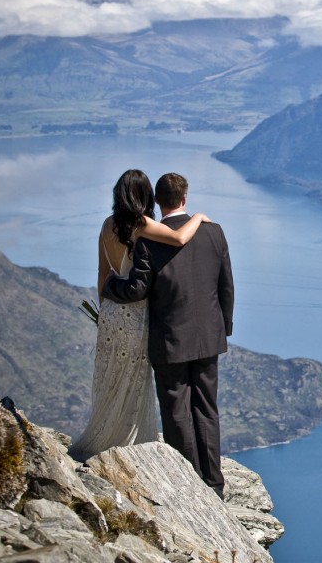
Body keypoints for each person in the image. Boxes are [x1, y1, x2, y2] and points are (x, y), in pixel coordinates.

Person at [102, 172, 234, 498]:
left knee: (176, 413)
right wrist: (223, 328)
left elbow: (137, 289)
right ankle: (214, 486)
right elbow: (226, 286)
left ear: (157, 202)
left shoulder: (149, 241)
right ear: (185, 197)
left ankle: (190, 486)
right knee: (206, 409)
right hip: (208, 337)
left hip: (170, 340)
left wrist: (108, 286)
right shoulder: (214, 232)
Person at [69, 169, 211, 461]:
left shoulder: (107, 225)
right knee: (134, 379)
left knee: (112, 376)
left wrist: (103, 313)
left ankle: (104, 434)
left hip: (110, 312)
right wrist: (197, 217)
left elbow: (103, 273)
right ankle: (127, 444)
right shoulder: (141, 224)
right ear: (145, 195)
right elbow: (178, 237)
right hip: (135, 315)